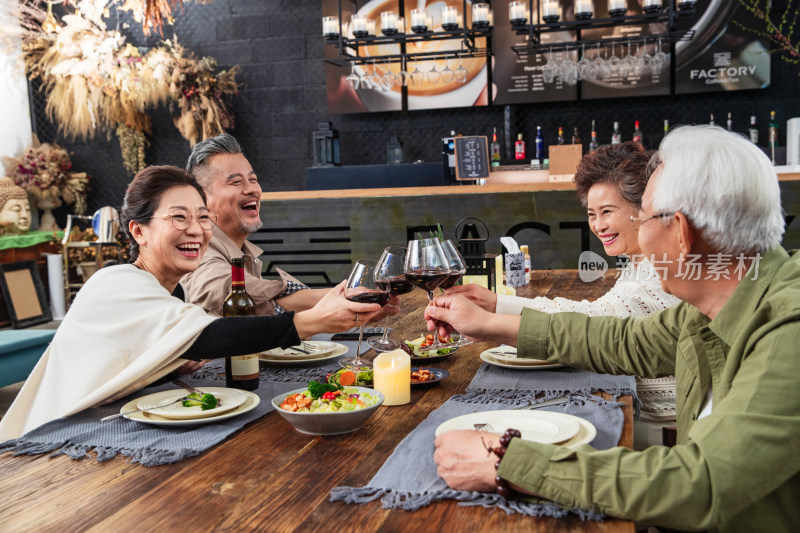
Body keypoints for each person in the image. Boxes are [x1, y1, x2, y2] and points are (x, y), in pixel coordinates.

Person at [427, 126, 799, 531]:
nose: (638, 231)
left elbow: (703, 484)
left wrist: (507, 461)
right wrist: (490, 324)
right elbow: (623, 340)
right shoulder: (720, 299)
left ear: (681, 232)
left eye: (646, 218)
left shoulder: (788, 330)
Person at [0, 166, 380, 440]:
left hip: (95, 426)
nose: (196, 230)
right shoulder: (114, 281)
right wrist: (314, 321)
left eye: (202, 218)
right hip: (45, 442)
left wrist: (170, 357)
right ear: (138, 230)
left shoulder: (171, 291)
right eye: (178, 217)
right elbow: (211, 336)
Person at [449, 142, 682, 422]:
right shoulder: (640, 262)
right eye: (592, 214)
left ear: (644, 208)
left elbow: (590, 320)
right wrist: (495, 302)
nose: (598, 226)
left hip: (655, 418)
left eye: (607, 212)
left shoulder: (658, 272)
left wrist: (490, 318)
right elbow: (592, 315)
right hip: (631, 397)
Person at [181, 134, 328, 316]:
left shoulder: (242, 251)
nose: (252, 189)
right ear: (201, 198)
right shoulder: (197, 250)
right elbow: (225, 290)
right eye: (236, 182)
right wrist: (343, 297)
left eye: (253, 179)